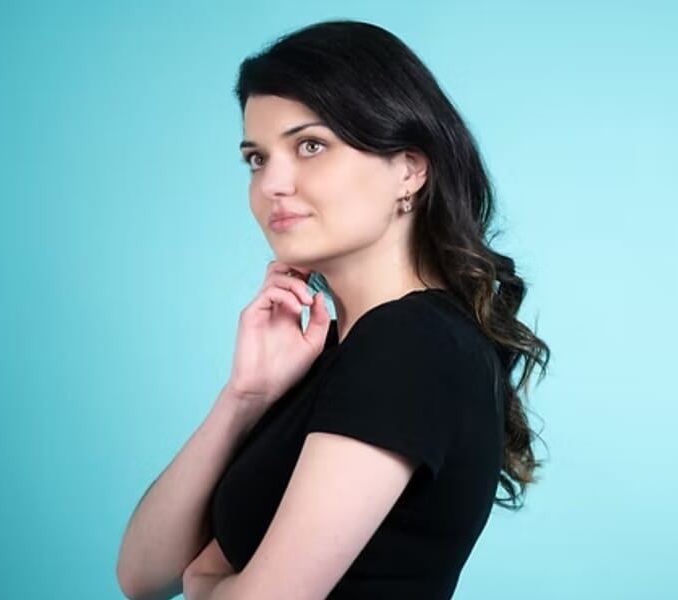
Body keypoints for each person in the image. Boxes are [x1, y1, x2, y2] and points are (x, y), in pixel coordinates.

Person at [116, 19, 550, 600]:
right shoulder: (341, 353)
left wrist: (209, 582)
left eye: (310, 146)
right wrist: (244, 398)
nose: (273, 182)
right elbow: (142, 577)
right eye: (256, 159)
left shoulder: (410, 345)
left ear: (409, 169)